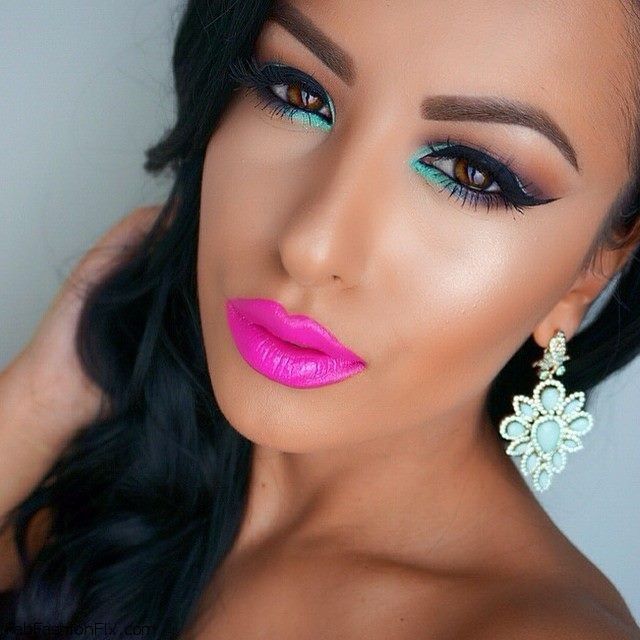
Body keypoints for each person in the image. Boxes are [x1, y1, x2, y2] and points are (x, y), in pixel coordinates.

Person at [1, 0, 640, 637]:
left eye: (470, 172)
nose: (311, 247)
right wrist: (37, 404)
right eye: (297, 93)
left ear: (593, 266)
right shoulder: (99, 491)